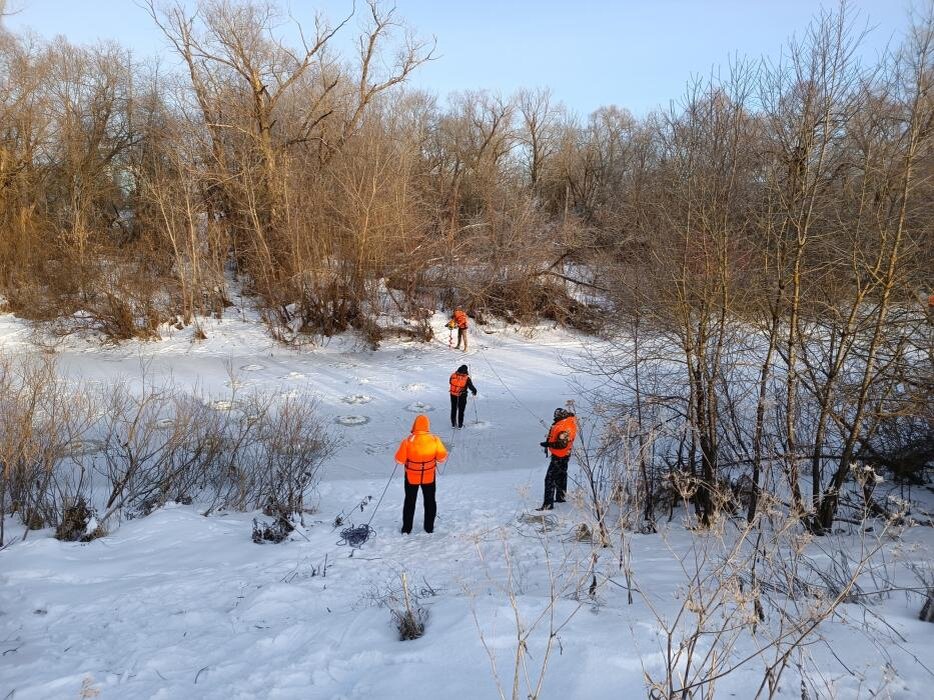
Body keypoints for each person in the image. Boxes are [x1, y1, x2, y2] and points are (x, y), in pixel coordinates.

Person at [394, 414, 448, 534]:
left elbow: (399, 460)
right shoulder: (435, 440)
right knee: (430, 501)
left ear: (414, 425)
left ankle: (406, 529)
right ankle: (429, 527)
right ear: (427, 426)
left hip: (411, 478)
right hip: (429, 477)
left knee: (409, 502)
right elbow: (442, 458)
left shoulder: (407, 441)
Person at [536, 407, 578, 510]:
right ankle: (561, 497)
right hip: (565, 453)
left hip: (559, 455)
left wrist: (548, 444)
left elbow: (562, 444)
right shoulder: (568, 422)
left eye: (556, 415)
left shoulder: (563, 426)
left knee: (550, 479)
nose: (554, 417)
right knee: (561, 475)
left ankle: (548, 505)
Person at [449, 364, 478, 428]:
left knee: (454, 409)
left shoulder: (453, 375)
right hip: (462, 395)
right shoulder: (467, 378)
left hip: (453, 394)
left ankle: (453, 424)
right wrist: (474, 391)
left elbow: (450, 382)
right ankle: (460, 425)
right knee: (461, 410)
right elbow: (471, 386)